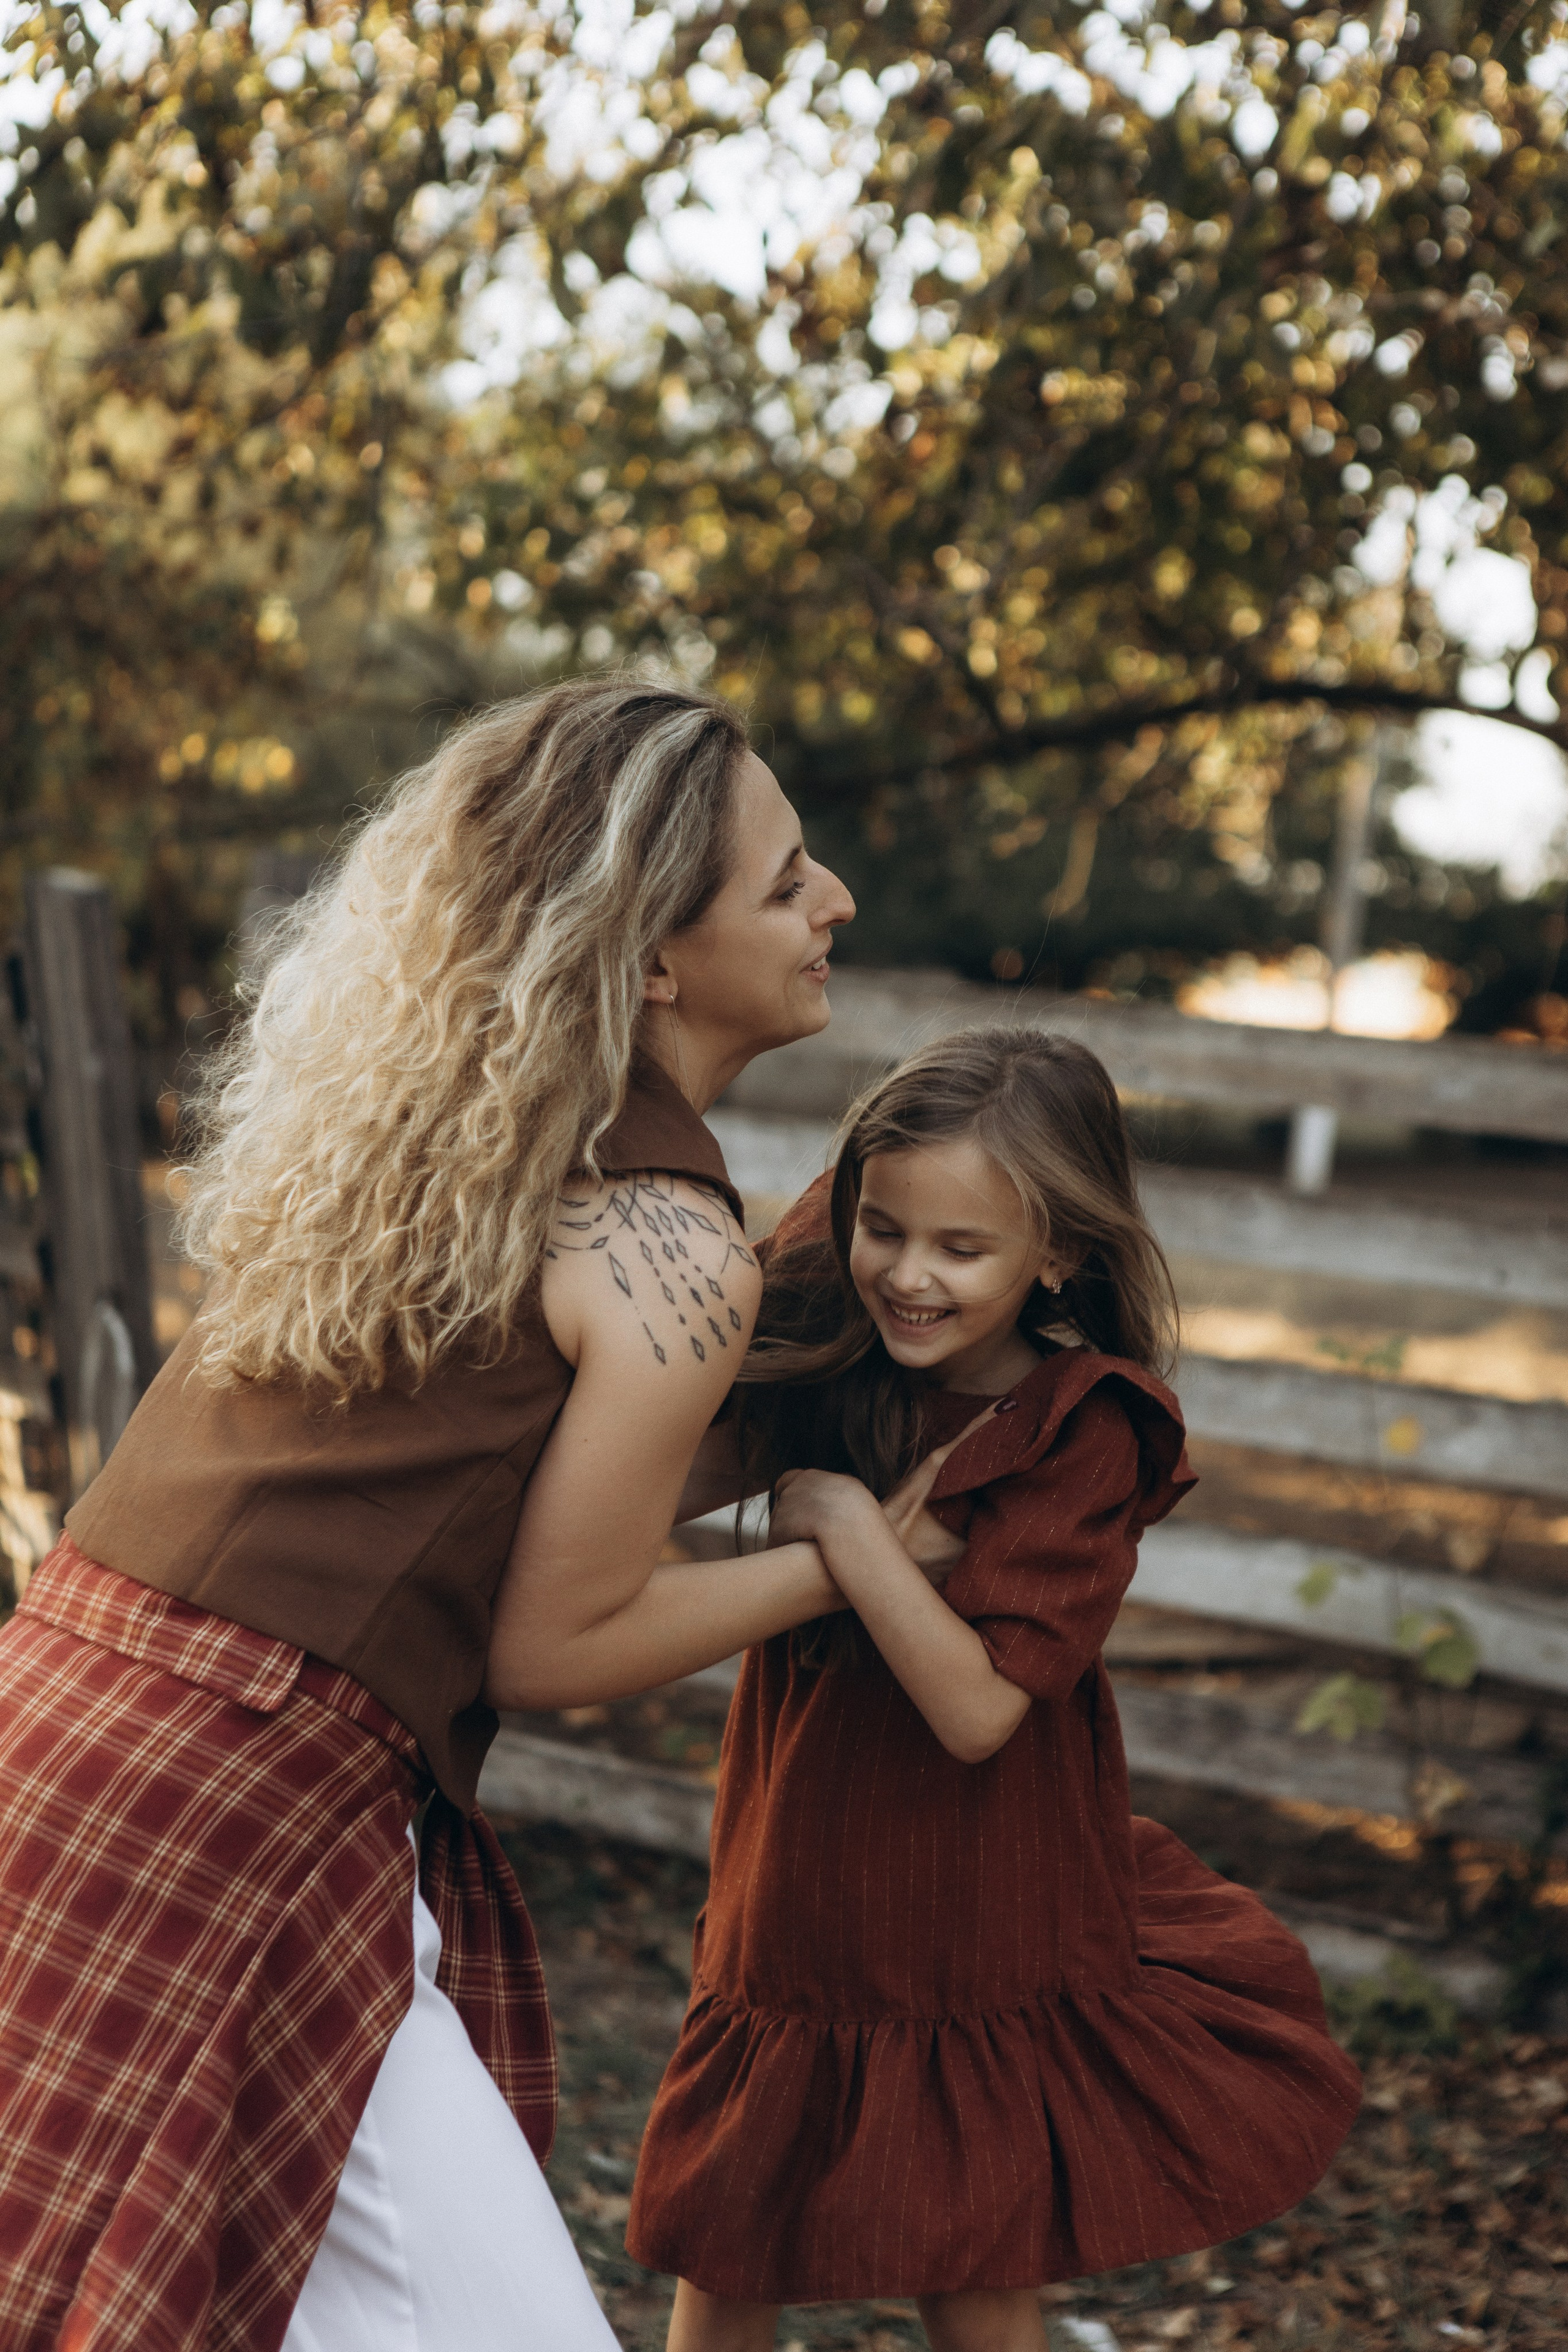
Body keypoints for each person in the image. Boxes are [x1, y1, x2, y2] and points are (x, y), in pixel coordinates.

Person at [0, 677, 864, 2352]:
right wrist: (843, 1563)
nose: (834, 903)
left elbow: (484, 1504)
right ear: (656, 957)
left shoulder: (431, 1145)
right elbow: (554, 1637)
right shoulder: (667, 1242)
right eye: (787, 881)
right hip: (237, 1795)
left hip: (65, 1704)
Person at [628, 1027, 1363, 2352]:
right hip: (794, 1880)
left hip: (976, 1899)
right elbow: (626, 1504)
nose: (907, 1276)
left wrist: (851, 1536)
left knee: (972, 2263)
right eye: (882, 1228)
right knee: (724, 2229)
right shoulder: (841, 1357)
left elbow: (977, 1713)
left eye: (957, 1250)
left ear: (1058, 1254)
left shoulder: (1081, 1428)